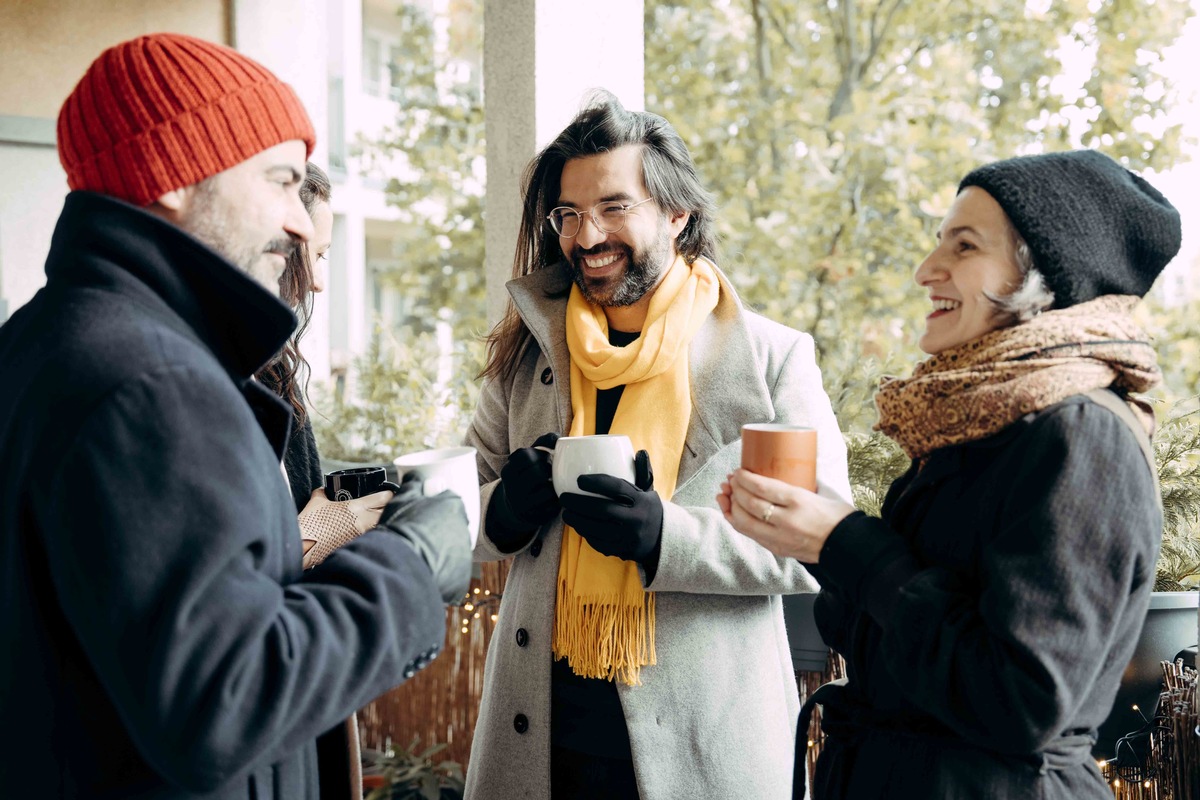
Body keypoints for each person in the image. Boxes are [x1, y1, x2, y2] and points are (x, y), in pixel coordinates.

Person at [0, 33, 471, 800]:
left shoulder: (43, 341)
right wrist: (411, 566)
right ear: (174, 176)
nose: (301, 226)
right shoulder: (153, 385)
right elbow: (224, 697)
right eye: (283, 181)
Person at [719, 149, 1180, 799]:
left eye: (964, 247)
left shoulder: (1079, 434)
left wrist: (843, 542)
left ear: (1047, 276)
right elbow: (905, 641)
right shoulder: (979, 422)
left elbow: (1020, 699)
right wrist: (811, 541)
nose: (925, 270)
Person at [463, 92, 853, 800]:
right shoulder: (530, 353)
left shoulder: (767, 359)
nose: (586, 237)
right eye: (569, 215)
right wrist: (504, 511)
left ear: (678, 214)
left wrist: (664, 538)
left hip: (704, 751)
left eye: (614, 208)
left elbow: (818, 539)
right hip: (541, 743)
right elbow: (463, 512)